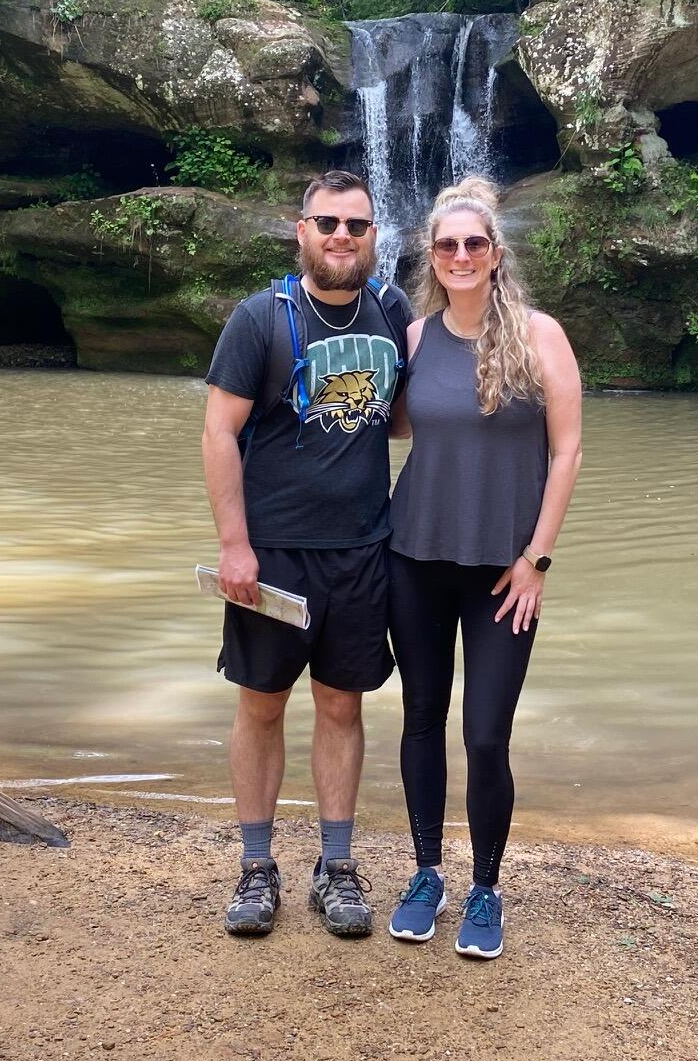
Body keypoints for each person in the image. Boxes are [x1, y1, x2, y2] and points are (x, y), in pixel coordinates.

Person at [202, 171, 411, 940]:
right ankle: (257, 867)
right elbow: (218, 433)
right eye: (328, 223)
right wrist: (235, 545)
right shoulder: (261, 318)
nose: (341, 237)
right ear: (302, 231)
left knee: (341, 706)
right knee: (261, 704)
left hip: (362, 550)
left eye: (356, 225)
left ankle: (337, 865)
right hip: (274, 554)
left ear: (373, 236)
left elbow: (408, 417)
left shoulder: (393, 311)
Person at [386, 177, 582, 960]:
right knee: (421, 718)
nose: (460, 255)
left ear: (495, 253)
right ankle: (427, 873)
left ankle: (487, 887)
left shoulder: (540, 336)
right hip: (414, 557)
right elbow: (386, 428)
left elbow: (567, 451)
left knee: (486, 735)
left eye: (474, 243)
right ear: (431, 257)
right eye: (447, 245)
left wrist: (537, 559)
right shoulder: (413, 339)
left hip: (506, 571)